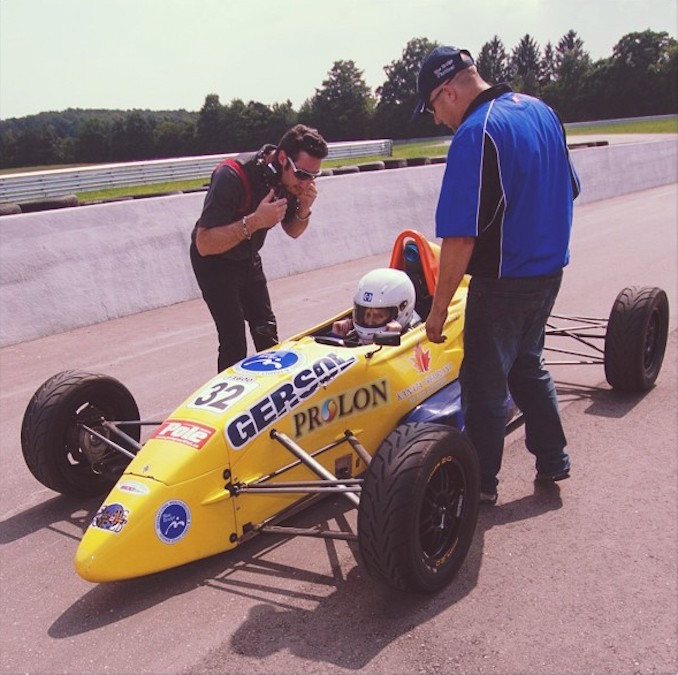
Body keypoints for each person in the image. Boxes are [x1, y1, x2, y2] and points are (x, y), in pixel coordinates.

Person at [414, 45, 581, 504]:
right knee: (527, 364)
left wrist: (438, 309)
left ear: (448, 91)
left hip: (505, 283)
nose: (435, 119)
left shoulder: (475, 133)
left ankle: (479, 486)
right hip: (549, 273)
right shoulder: (543, 111)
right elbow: (571, 188)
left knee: (484, 387)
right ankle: (554, 458)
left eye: (432, 107)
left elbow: (460, 237)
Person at [190, 124, 328, 372]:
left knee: (267, 331)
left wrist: (304, 209)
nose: (306, 183)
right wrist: (254, 222)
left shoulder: (289, 180)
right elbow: (204, 243)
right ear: (283, 158)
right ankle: (232, 406)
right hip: (215, 261)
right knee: (234, 340)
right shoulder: (231, 176)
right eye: (302, 175)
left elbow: (293, 230)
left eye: (313, 177)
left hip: (248, 257)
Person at [331, 268, 417, 344]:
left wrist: (390, 339)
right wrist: (336, 338)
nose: (370, 322)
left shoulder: (414, 340)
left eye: (378, 316)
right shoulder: (353, 336)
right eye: (367, 314)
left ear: (403, 310)